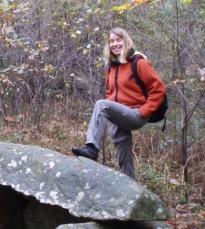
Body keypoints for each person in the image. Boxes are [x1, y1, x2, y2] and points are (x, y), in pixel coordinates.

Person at [71, 27, 166, 180]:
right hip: (120, 114)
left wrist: (144, 111)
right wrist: (112, 113)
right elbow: (110, 92)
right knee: (122, 147)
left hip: (136, 114)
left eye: (118, 40)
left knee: (101, 105)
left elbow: (158, 88)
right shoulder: (111, 67)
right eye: (111, 41)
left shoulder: (139, 63)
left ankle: (92, 148)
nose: (115, 44)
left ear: (126, 41)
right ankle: (130, 183)